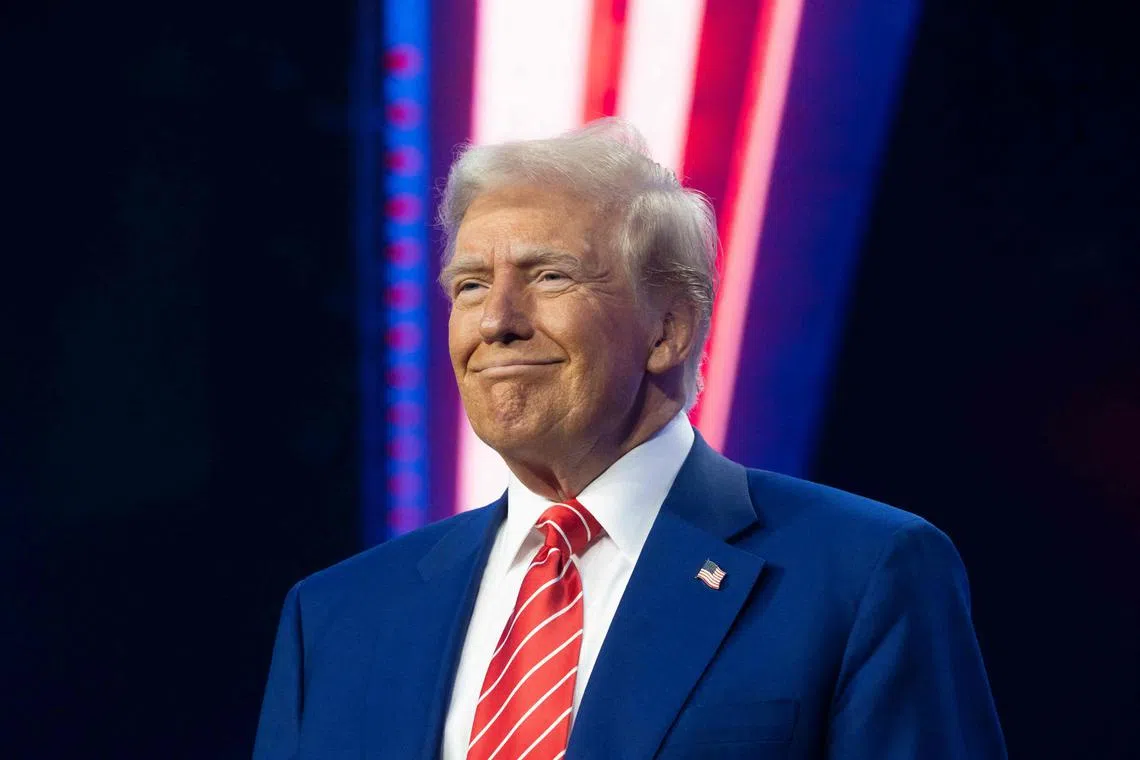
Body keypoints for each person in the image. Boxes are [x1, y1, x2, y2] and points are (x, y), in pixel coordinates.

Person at [253, 119, 1007, 759]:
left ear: (668, 330)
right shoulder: (336, 617)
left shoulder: (864, 573)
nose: (496, 321)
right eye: (470, 285)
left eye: (549, 276)